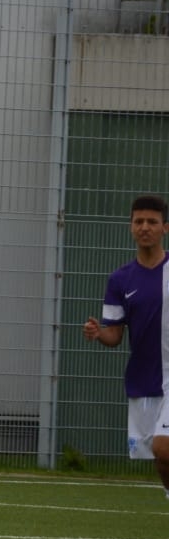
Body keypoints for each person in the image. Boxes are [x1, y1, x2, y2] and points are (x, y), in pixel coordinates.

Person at [83, 194, 169, 499]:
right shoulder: (120, 280)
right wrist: (98, 333)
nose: (145, 227)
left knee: (163, 447)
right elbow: (115, 335)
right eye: (139, 221)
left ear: (165, 227)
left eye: (152, 222)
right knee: (160, 457)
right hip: (145, 379)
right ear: (131, 226)